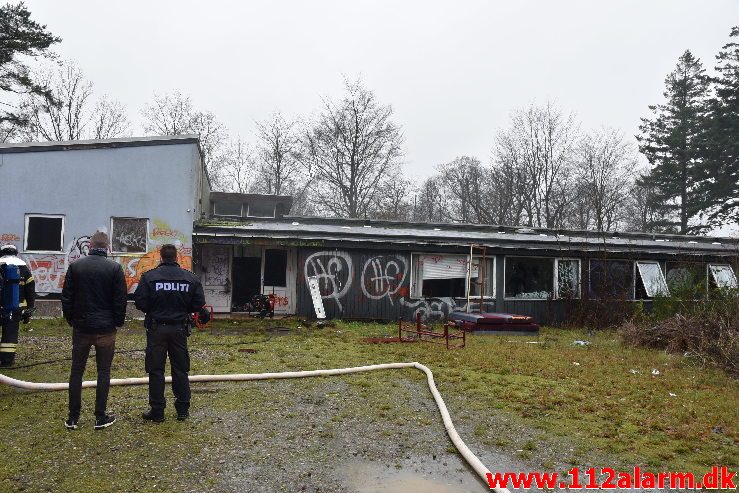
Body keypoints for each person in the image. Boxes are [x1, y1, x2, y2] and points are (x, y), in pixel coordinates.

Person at [134, 243, 210, 422]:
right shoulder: (190, 278)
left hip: (156, 329)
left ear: (161, 257)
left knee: (156, 370)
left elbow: (140, 302)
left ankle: (157, 411)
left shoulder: (149, 277)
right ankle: (182, 410)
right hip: (179, 329)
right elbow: (198, 304)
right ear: (176, 258)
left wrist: (154, 310)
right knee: (180, 369)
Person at [61, 232, 127, 430]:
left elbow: (67, 297)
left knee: (76, 371)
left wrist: (71, 319)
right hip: (106, 328)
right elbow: (120, 299)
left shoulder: (76, 267)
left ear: (90, 246)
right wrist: (117, 322)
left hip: (81, 327)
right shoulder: (115, 268)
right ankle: (100, 416)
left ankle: (73, 418)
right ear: (106, 247)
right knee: (103, 371)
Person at [0, 244, 35, 368]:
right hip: (16, 307)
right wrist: (30, 308)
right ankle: (7, 361)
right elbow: (30, 288)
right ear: (16, 253)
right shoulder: (22, 266)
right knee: (10, 334)